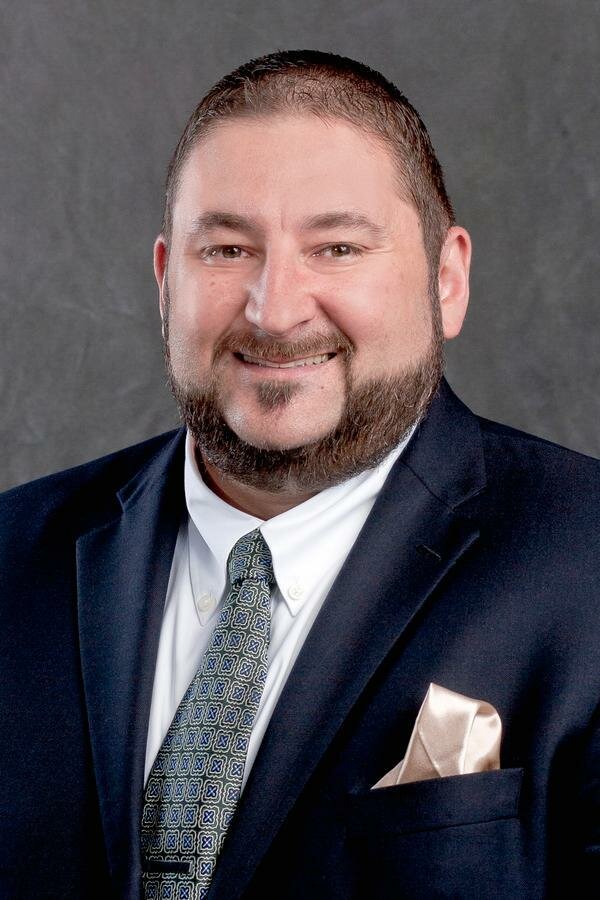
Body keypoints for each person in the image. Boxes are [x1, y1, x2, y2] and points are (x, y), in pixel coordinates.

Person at [0, 49, 598, 900]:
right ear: (167, 282)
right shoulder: (12, 556)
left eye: (338, 247)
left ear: (447, 279)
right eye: (227, 249)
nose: (274, 310)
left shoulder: (586, 563)